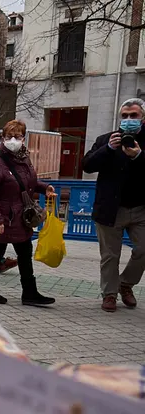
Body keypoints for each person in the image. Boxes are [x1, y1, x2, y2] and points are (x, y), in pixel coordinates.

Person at [0, 120, 56, 306]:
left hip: (21, 217)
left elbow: (27, 182)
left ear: (23, 137)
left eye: (17, 136)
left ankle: (29, 292)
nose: (13, 140)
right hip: (2, 218)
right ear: (2, 138)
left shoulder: (24, 158)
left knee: (25, 252)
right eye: (9, 136)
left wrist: (44, 188)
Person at [82, 98, 145, 312]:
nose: (128, 120)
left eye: (133, 115)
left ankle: (125, 284)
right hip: (110, 209)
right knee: (110, 255)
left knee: (143, 249)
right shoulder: (106, 139)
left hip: (140, 209)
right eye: (125, 116)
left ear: (142, 118)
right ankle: (109, 294)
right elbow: (87, 165)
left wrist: (139, 156)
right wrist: (108, 149)